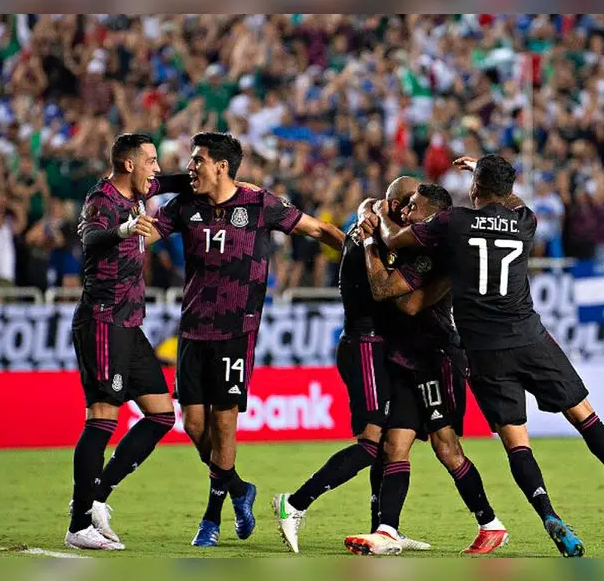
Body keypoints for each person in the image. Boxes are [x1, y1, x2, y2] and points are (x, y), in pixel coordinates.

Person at [376, 154, 604, 558]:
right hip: (530, 338)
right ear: (507, 190)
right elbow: (513, 200)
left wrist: (375, 214)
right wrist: (487, 174)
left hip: (484, 352)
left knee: (517, 444)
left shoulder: (454, 221)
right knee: (583, 415)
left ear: (474, 188)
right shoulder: (525, 220)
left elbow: (393, 240)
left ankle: (550, 515)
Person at [149, 132, 345, 547]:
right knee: (194, 425)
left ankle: (211, 518)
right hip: (193, 328)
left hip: (236, 330)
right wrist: (114, 229)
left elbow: (317, 229)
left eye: (198, 160)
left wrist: (360, 256)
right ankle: (239, 489)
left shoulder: (259, 204)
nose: (191, 167)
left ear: (221, 166)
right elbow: (142, 236)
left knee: (224, 426)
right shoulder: (185, 205)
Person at [272, 177, 440, 554]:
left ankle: (383, 530)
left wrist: (370, 208)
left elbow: (371, 207)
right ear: (395, 205)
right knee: (369, 445)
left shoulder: (373, 223)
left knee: (389, 445)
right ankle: (294, 503)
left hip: (378, 347)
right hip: (364, 344)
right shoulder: (375, 236)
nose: (412, 214)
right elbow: (385, 282)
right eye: (409, 206)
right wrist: (373, 212)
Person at [343, 183, 508, 556]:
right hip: (408, 358)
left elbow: (404, 303)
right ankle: (387, 531)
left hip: (436, 358)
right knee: (393, 446)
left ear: (432, 215)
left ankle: (490, 524)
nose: (405, 212)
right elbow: (372, 204)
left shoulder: (438, 253)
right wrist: (368, 208)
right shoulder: (410, 242)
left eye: (413, 207)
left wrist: (371, 241)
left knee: (445, 447)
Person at [67, 133, 189, 550]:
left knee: (161, 414)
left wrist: (215, 179)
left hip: (130, 324)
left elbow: (173, 182)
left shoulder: (140, 189)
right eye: (151, 161)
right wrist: (125, 228)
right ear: (128, 164)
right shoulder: (101, 199)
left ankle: (98, 497)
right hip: (103, 321)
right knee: (102, 418)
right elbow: (91, 239)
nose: (157, 169)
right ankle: (79, 524)